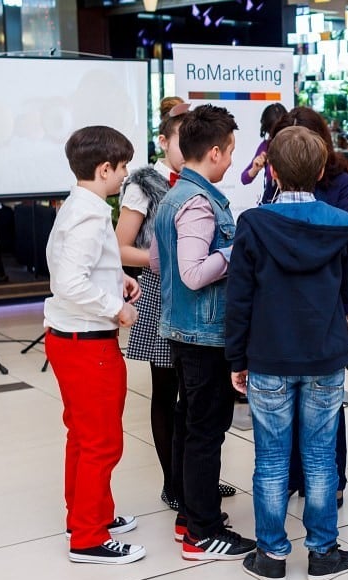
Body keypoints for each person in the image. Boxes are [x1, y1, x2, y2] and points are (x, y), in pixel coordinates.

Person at [226, 126, 348, 580]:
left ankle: (271, 556)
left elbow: (239, 299)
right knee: (321, 456)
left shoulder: (253, 223)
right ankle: (323, 553)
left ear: (274, 172)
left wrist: (236, 359)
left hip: (268, 356)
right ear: (321, 171)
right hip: (324, 354)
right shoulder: (339, 223)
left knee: (270, 459)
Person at [116, 98, 240, 512]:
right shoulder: (169, 192)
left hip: (180, 304)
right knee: (183, 405)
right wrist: (228, 253)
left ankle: (191, 491)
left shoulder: (179, 194)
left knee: (191, 407)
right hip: (181, 309)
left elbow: (164, 258)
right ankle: (184, 496)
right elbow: (184, 270)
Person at [152, 104, 257, 561]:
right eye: (230, 152)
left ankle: (190, 517)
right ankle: (202, 532)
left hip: (183, 329)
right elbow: (193, 273)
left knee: (191, 424)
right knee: (205, 433)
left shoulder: (174, 195)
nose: (232, 161)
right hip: (204, 335)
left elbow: (158, 261)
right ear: (215, 152)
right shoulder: (198, 203)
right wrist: (237, 251)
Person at [45, 125, 144, 564]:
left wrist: (115, 276)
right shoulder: (89, 215)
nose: (125, 174)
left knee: (83, 436)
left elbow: (73, 264)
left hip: (68, 338)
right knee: (102, 442)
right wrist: (115, 307)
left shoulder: (77, 205)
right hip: (88, 344)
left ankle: (88, 515)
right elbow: (69, 281)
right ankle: (88, 537)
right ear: (104, 169)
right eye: (122, 167)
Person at [275, 106, 348, 508]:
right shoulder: (274, 187)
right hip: (285, 300)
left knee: (326, 405)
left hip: (326, 300)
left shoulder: (341, 182)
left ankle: (331, 480)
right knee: (289, 400)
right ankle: (295, 476)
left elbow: (345, 248)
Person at [240, 102, 288, 205]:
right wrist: (255, 169)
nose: (276, 136)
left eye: (280, 130)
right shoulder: (265, 147)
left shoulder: (294, 144)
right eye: (272, 132)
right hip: (270, 203)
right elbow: (244, 179)